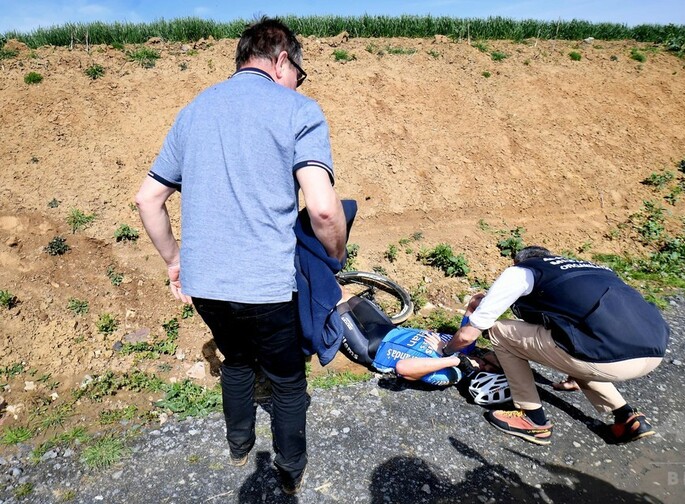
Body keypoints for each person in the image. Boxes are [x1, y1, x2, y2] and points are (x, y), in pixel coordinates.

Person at [134, 17, 346, 495]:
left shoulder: (194, 110)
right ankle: (290, 473)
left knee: (235, 360)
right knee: (288, 381)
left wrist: (175, 260)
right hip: (267, 286)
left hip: (206, 284)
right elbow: (325, 210)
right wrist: (337, 254)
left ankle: (238, 446)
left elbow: (148, 198)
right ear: (282, 60)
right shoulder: (299, 109)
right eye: (299, 72)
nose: (297, 83)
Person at [441, 246, 670, 446]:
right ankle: (627, 417)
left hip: (606, 357)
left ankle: (532, 418)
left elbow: (469, 335)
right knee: (573, 344)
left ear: (518, 261)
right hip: (654, 350)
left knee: (499, 331)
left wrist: (446, 351)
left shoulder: (521, 271)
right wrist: (574, 374)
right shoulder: (591, 269)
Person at [337, 294, 501, 385]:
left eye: (484, 370)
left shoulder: (451, 374)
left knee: (335, 306)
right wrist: (491, 323)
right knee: (346, 295)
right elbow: (474, 302)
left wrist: (454, 360)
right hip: (388, 330)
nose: (482, 364)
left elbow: (403, 368)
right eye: (490, 363)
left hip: (370, 348)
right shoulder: (465, 341)